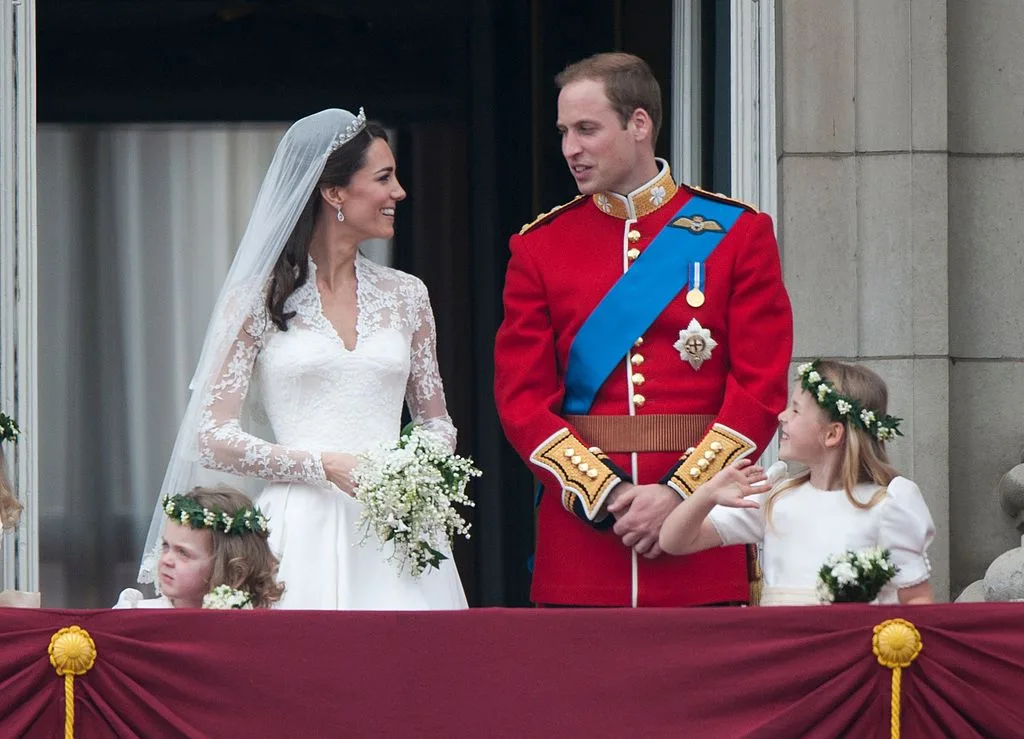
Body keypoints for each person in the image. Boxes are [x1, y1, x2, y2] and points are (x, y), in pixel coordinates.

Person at [494, 52, 793, 607]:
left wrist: (682, 495)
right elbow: (521, 400)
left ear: (639, 124)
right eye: (563, 132)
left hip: (702, 537)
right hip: (585, 542)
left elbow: (759, 390)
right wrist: (608, 493)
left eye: (587, 129)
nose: (569, 149)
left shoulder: (738, 233)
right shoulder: (539, 247)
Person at [138, 108, 467, 610]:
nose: (399, 192)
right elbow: (212, 437)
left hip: (397, 532)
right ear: (334, 193)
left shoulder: (408, 296)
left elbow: (436, 421)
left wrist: (410, 471)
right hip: (299, 527)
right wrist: (322, 465)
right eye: (383, 178)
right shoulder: (254, 300)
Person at [659, 360, 935, 606]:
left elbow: (917, 600)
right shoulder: (774, 497)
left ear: (832, 435)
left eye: (795, 410)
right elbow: (673, 541)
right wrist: (706, 494)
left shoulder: (886, 505)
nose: (781, 416)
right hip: (781, 652)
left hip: (853, 656)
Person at [117, 486, 283, 608]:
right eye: (166, 546)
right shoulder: (137, 613)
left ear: (226, 564)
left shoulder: (250, 625)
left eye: (183, 553)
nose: (166, 560)